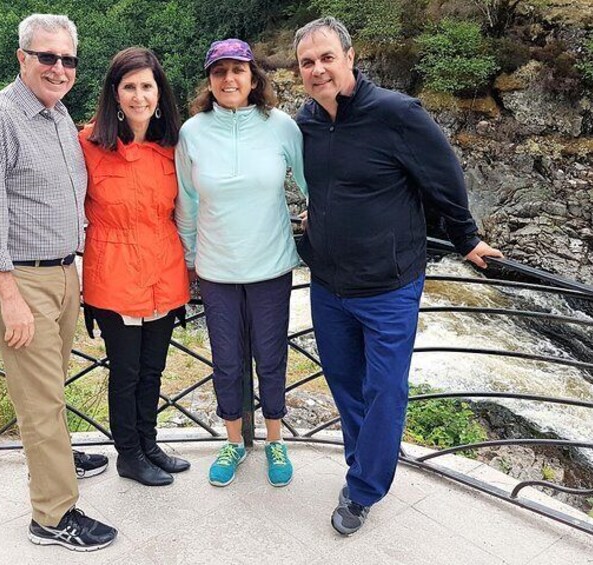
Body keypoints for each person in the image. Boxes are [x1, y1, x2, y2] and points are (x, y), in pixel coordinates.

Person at [293, 17, 503, 536]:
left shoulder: (396, 113)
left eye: (326, 58)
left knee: (385, 389)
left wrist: (466, 237)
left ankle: (363, 489)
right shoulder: (306, 123)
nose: (318, 69)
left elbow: (444, 176)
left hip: (390, 284)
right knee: (345, 385)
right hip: (329, 284)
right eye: (307, 63)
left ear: (349, 57)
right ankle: (363, 465)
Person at [0, 13, 117, 551]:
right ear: (22, 58)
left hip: (61, 270)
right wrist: (10, 298)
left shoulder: (57, 114)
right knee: (39, 400)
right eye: (47, 56)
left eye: (68, 59)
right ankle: (53, 515)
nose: (59, 67)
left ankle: (59, 461)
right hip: (19, 278)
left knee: (50, 384)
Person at [175, 39, 307, 488]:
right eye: (219, 72)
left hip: (271, 266)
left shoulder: (282, 126)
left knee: (271, 358)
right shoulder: (192, 132)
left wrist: (322, 221)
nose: (229, 79)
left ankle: (275, 441)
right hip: (216, 271)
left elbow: (311, 185)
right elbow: (188, 203)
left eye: (238, 70)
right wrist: (190, 259)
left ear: (254, 77)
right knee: (227, 361)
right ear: (209, 81)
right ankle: (232, 442)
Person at [80, 47, 191, 487]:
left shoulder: (172, 147)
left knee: (153, 368)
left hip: (164, 271)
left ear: (159, 92)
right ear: (115, 93)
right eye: (130, 87)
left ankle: (149, 443)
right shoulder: (87, 145)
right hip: (114, 273)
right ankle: (128, 453)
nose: (140, 96)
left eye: (147, 86)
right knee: (125, 372)